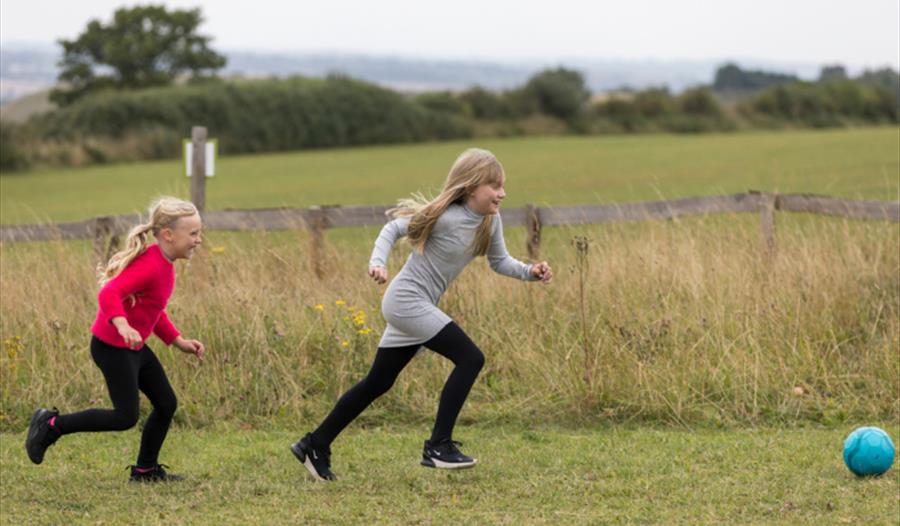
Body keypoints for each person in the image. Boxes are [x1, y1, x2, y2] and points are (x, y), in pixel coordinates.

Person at [291, 148, 553, 481]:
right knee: (470, 358)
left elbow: (499, 262)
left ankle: (315, 444)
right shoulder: (444, 216)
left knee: (378, 382)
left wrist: (531, 272)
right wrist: (377, 263)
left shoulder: (490, 220)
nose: (502, 193)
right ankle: (438, 446)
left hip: (418, 305)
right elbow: (392, 230)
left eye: (502, 186)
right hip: (405, 301)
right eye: (494, 186)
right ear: (472, 186)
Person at [25, 196, 206, 482]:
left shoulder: (164, 264)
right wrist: (121, 324)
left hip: (133, 347)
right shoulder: (151, 264)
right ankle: (51, 425)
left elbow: (153, 311)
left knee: (166, 404)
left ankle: (145, 471)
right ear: (169, 235)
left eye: (199, 232)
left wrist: (178, 341)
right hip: (112, 347)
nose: (199, 239)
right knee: (125, 417)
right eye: (193, 233)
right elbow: (109, 293)